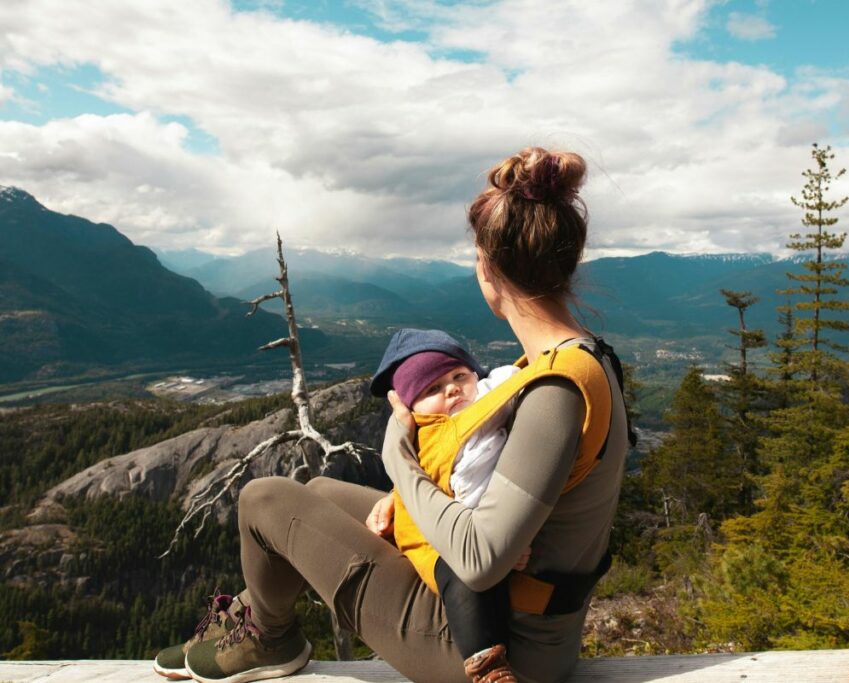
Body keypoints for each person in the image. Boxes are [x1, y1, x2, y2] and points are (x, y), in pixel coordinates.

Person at [153, 146, 631, 683]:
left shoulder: (555, 392)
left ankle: (269, 638)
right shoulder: (581, 360)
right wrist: (402, 500)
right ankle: (249, 624)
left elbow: (479, 559)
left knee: (264, 498)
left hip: (495, 648)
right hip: (520, 619)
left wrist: (397, 456)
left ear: (487, 268)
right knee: (322, 493)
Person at [368, 328, 525, 681]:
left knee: (484, 579)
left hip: (475, 528)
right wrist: (505, 544)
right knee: (463, 579)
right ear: (413, 408)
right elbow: (451, 484)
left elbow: (508, 380)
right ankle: (486, 666)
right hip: (434, 540)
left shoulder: (480, 405)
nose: (452, 388)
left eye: (459, 376)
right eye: (432, 389)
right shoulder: (435, 434)